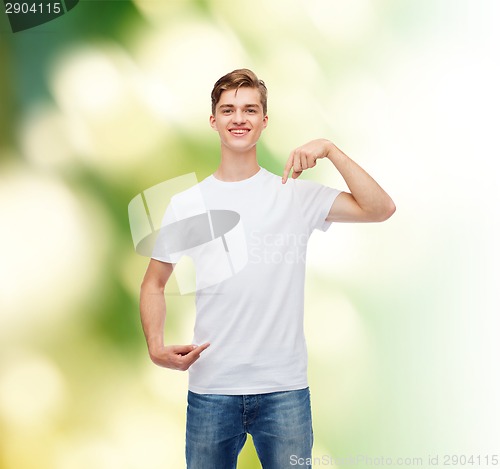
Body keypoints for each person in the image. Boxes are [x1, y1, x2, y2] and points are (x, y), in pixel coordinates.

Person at [139, 69, 395, 469]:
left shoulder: (294, 195)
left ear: (264, 120)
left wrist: (330, 149)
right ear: (213, 121)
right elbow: (153, 283)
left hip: (284, 390)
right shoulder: (189, 204)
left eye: (249, 109)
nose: (238, 118)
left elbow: (381, 209)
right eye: (228, 110)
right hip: (212, 388)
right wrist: (155, 347)